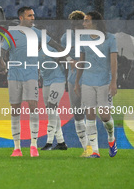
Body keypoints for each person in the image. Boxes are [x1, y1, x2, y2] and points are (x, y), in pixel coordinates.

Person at [0, 6, 72, 157]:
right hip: (14, 76)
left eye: (33, 15)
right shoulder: (11, 33)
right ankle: (17, 148)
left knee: (33, 107)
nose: (33, 18)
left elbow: (55, 45)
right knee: (15, 110)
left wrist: (68, 57)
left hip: (32, 75)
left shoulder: (38, 33)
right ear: (21, 18)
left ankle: (33, 146)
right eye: (29, 16)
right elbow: (1, 52)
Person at [74, 11, 118, 158]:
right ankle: (95, 151)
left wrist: (113, 82)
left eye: (87, 21)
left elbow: (113, 62)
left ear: (96, 23)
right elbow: (82, 61)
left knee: (105, 116)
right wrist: (77, 82)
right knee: (90, 115)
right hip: (87, 81)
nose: (83, 23)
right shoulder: (83, 39)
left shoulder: (110, 38)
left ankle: (111, 138)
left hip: (104, 82)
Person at [61, 10, 93, 157]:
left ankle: (94, 147)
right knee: (78, 114)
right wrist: (69, 60)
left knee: (91, 113)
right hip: (73, 79)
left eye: (79, 24)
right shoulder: (65, 38)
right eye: (73, 25)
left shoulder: (92, 37)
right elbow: (61, 54)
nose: (76, 28)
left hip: (90, 80)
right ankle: (87, 148)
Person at [39, 45, 68, 150]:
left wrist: (61, 59)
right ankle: (61, 142)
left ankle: (49, 142)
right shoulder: (31, 51)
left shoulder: (49, 48)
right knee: (51, 111)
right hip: (46, 82)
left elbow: (62, 56)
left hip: (58, 79)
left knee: (51, 107)